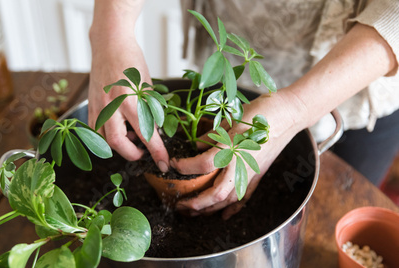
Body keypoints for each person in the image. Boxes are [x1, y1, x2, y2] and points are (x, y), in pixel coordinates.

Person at [88, 0, 399, 219]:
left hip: (364, 72)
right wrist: (111, 33)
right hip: (234, 46)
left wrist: (297, 108)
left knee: (335, 214)